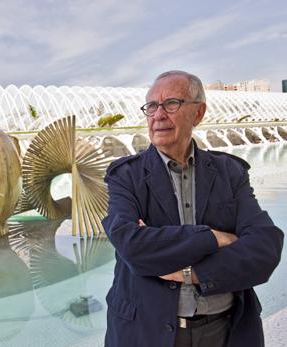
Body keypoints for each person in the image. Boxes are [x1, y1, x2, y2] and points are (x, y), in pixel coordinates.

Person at [102, 70, 284, 347]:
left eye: (171, 103)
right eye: (151, 106)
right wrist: (215, 238)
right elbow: (132, 246)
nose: (158, 115)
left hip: (225, 330)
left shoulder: (229, 172)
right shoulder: (126, 176)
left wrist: (193, 273)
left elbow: (265, 248)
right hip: (148, 333)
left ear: (198, 113)